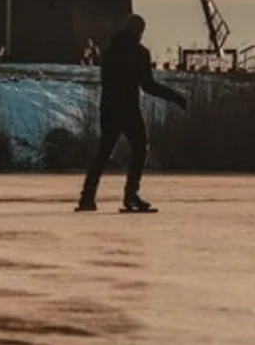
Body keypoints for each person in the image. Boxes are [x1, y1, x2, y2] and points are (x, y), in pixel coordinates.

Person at [76, 14, 187, 213]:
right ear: (139, 31)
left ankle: (87, 197)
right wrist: (176, 97)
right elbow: (148, 86)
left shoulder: (110, 51)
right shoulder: (140, 52)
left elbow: (105, 80)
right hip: (128, 109)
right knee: (139, 150)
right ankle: (130, 195)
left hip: (108, 108)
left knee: (103, 152)